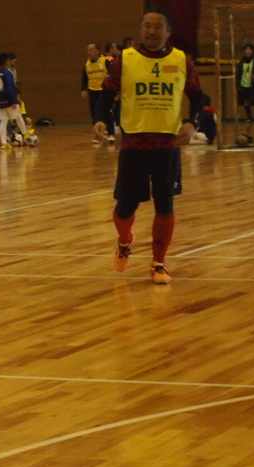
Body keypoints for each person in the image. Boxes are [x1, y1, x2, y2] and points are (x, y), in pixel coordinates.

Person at [94, 7, 204, 285]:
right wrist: (101, 120)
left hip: (168, 144)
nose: (152, 32)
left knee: (165, 205)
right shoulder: (125, 60)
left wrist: (192, 123)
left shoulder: (181, 60)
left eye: (158, 27)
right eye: (147, 26)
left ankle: (158, 263)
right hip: (134, 144)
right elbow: (106, 95)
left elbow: (198, 97)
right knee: (125, 207)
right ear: (141, 29)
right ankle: (124, 240)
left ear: (168, 32)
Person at [82, 43, 115, 144]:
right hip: (93, 91)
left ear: (97, 51)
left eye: (91, 49)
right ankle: (97, 135)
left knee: (107, 112)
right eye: (88, 50)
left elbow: (113, 73)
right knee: (94, 114)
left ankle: (111, 134)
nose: (88, 52)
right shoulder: (87, 64)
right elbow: (84, 78)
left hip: (104, 91)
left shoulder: (105, 61)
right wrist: (83, 89)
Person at [0, 52, 28, 149]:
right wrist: (14, 101)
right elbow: (10, 88)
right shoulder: (7, 73)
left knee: (3, 122)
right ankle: (26, 136)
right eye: (10, 61)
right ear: (7, 62)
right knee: (18, 117)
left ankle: (4, 143)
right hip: (9, 100)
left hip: (0, 101)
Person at [237, 44, 254, 122]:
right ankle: (249, 117)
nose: (248, 51)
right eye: (246, 49)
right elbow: (239, 72)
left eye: (249, 49)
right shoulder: (242, 60)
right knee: (246, 101)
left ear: (252, 51)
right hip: (244, 84)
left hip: (253, 83)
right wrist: (238, 83)